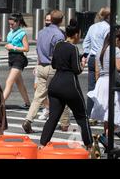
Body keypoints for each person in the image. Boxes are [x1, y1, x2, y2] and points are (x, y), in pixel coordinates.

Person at [40, 20, 97, 158]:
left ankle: (41, 146)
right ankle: (90, 147)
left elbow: (53, 65)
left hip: (55, 84)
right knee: (82, 116)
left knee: (53, 118)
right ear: (76, 34)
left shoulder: (58, 45)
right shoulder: (73, 48)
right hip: (69, 85)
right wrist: (82, 64)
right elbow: (76, 70)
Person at [23, 10, 70, 133]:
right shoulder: (58, 35)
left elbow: (38, 50)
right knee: (63, 94)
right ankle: (64, 123)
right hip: (53, 67)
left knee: (38, 96)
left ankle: (28, 119)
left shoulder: (41, 32)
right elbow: (60, 54)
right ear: (61, 21)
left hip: (41, 66)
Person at [87, 32, 120, 149]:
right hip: (111, 82)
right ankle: (106, 136)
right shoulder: (115, 50)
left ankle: (109, 141)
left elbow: (97, 71)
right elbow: (119, 67)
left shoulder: (100, 50)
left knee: (107, 114)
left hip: (102, 82)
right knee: (117, 112)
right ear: (116, 40)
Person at [82, 7, 110, 121]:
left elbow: (86, 42)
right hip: (103, 58)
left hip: (92, 58)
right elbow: (108, 44)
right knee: (104, 87)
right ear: (108, 16)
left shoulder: (92, 27)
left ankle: (89, 113)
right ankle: (101, 114)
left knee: (92, 87)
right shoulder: (108, 28)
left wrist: (86, 54)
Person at [4, 13, 31, 108]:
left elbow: (26, 48)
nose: (10, 26)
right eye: (9, 24)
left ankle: (0, 103)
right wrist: (8, 47)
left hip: (19, 59)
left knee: (9, 81)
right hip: (11, 58)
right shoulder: (10, 32)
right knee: (19, 83)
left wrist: (13, 47)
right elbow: (10, 45)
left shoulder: (22, 33)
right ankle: (27, 103)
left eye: (12, 24)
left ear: (18, 22)